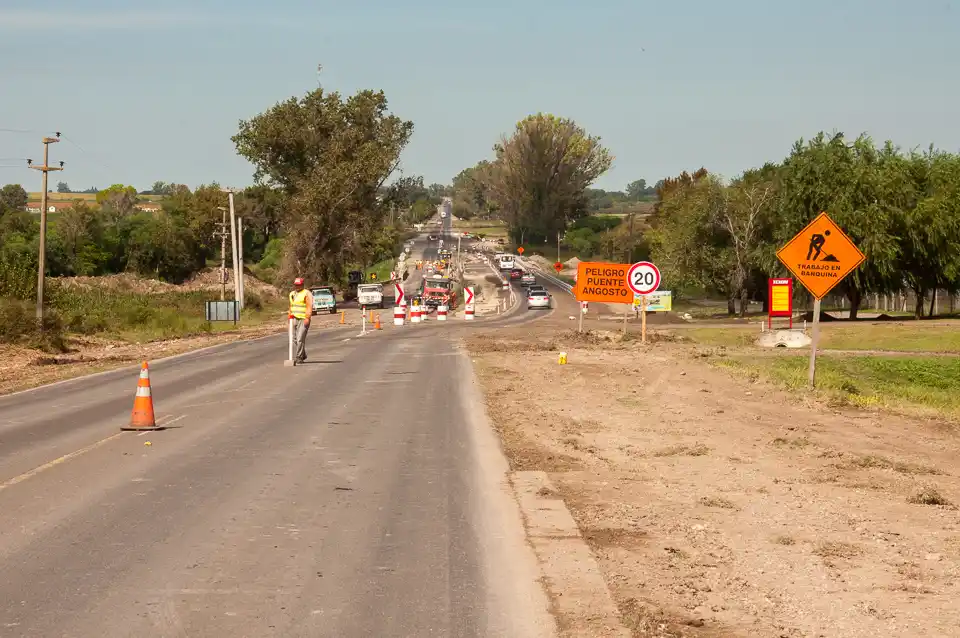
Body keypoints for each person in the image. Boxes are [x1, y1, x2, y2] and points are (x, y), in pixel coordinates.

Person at [288, 277, 313, 363]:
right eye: (296, 285)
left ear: (302, 285)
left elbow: (309, 306)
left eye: (299, 285)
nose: (297, 286)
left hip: (303, 318)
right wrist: (289, 316)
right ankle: (303, 354)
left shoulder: (306, 293)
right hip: (294, 318)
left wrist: (307, 318)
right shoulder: (292, 294)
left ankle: (299, 357)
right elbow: (291, 306)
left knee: (300, 338)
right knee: (294, 338)